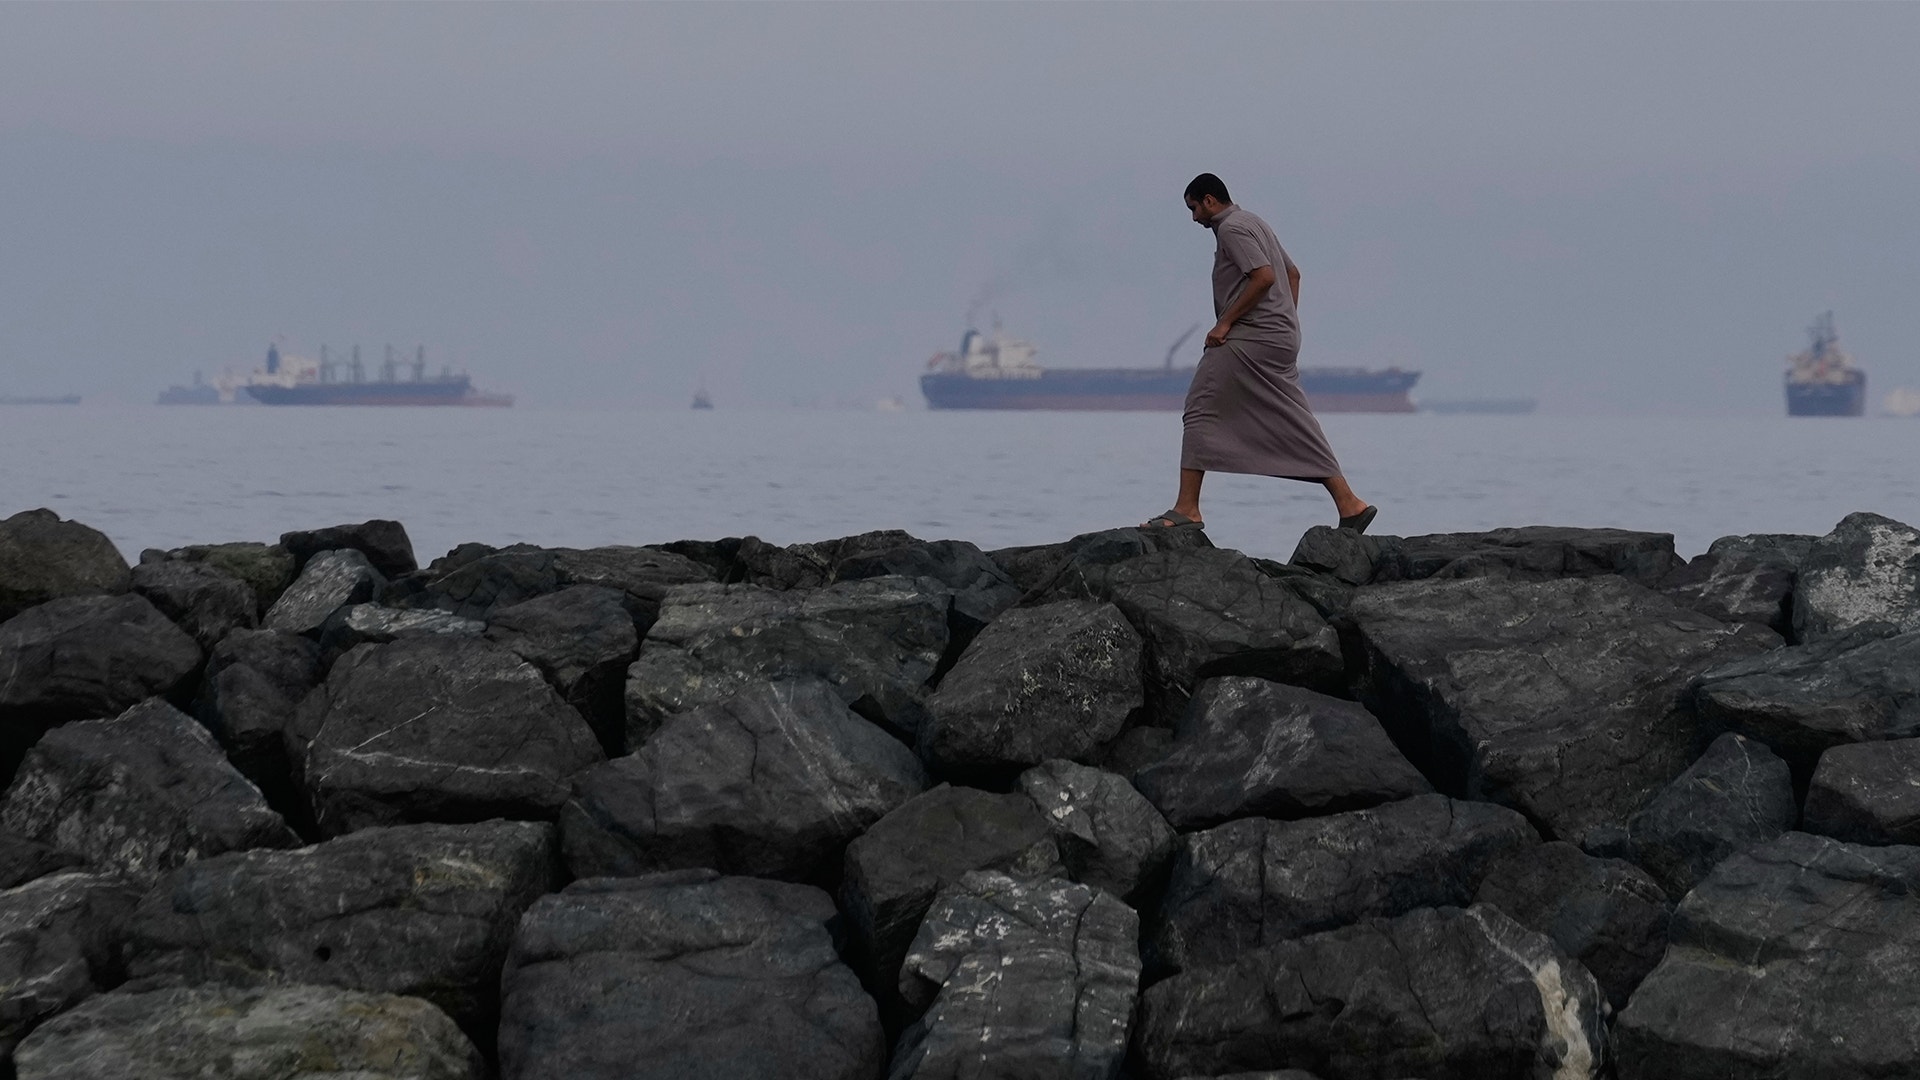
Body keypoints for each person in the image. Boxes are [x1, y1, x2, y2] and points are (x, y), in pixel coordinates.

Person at [1144, 173, 1376, 534]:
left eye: (1194, 208)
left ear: (1209, 200)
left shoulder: (1232, 228)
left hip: (1249, 336)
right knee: (1294, 417)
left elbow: (1264, 276)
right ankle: (1349, 503)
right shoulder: (1254, 221)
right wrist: (1284, 322)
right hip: (1279, 338)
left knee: (1200, 406)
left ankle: (1187, 507)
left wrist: (1225, 323)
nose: (1194, 218)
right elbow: (1293, 275)